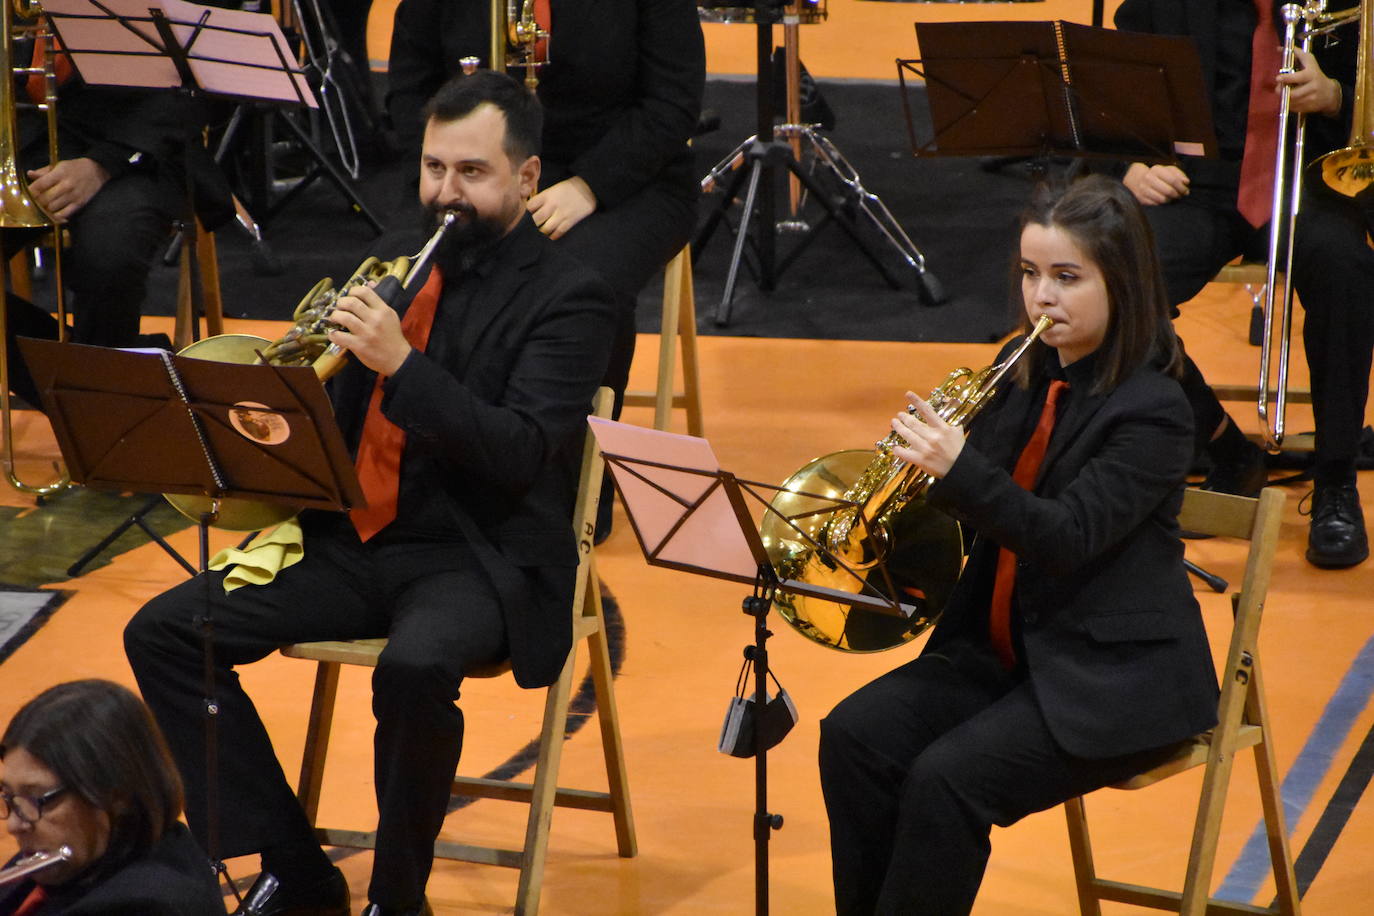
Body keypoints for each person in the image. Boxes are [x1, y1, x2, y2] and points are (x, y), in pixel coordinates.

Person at [124, 69, 616, 916]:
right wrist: (281, 423)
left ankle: (397, 898)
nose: (445, 194)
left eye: (472, 172)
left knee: (417, 666)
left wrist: (403, 366)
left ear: (527, 178)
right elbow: (331, 412)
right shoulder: (392, 260)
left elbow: (523, 453)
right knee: (168, 632)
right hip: (353, 538)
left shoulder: (574, 296)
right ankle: (296, 868)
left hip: (478, 554)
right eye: (434, 169)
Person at [818, 176, 1220, 915]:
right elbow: (974, 520)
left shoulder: (1155, 410)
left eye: (1068, 278)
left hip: (1112, 679)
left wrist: (958, 468)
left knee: (947, 782)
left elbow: (1063, 537)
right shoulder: (1022, 369)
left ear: (1122, 281)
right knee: (854, 738)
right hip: (1006, 653)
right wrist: (897, 504)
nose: (1043, 298)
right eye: (1032, 275)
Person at [386, 0, 705, 524]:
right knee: (396, 265)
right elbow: (408, 90)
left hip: (624, 176)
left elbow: (671, 105)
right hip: (472, 169)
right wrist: (452, 178)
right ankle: (420, 465)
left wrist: (590, 185)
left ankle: (572, 489)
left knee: (584, 278)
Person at [1111, 0, 1373, 568]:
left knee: (1345, 269)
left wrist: (1337, 97)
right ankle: (1222, 443)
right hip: (1196, 181)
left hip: (1314, 178)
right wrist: (1128, 162)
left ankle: (1335, 483)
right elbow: (1116, 84)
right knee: (1114, 286)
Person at [3, 32, 230, 407]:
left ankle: (100, 407)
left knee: (110, 256)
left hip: (143, 145)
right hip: (31, 135)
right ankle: (95, 393)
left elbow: (207, 86)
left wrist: (104, 162)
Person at [0, 679, 223, 915]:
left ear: (116, 794)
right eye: (8, 796)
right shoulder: (76, 854)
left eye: (37, 797)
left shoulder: (145, 905)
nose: (14, 825)